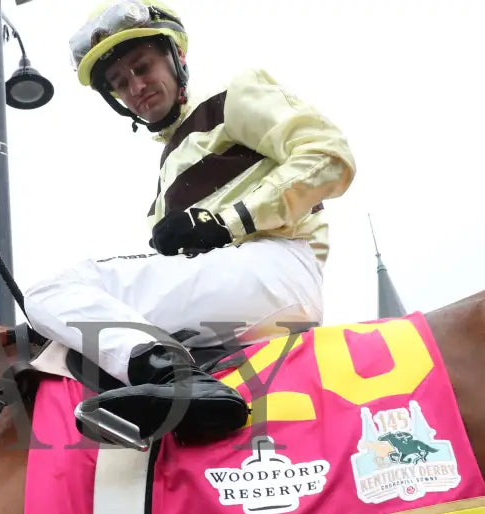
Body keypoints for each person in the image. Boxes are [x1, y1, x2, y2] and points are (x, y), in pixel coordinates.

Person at [24, 0, 356, 447]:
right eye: (121, 84)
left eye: (143, 67)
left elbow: (330, 156)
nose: (136, 87)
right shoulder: (167, 172)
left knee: (51, 290)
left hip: (274, 266)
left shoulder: (232, 97)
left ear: (177, 58)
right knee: (72, 321)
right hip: (243, 297)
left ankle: (175, 378)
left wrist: (226, 220)